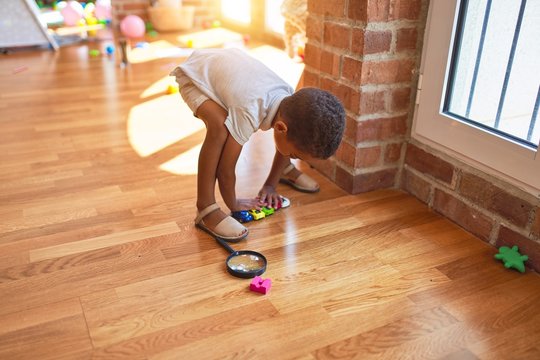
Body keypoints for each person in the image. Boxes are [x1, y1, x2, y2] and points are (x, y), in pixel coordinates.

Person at [170, 48, 345, 241]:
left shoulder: (288, 99)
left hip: (224, 67)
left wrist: (270, 185)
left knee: (289, 138)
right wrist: (234, 204)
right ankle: (205, 207)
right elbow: (225, 171)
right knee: (220, 128)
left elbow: (285, 139)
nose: (293, 156)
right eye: (294, 156)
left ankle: (283, 170)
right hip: (195, 75)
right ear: (279, 128)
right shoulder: (249, 111)